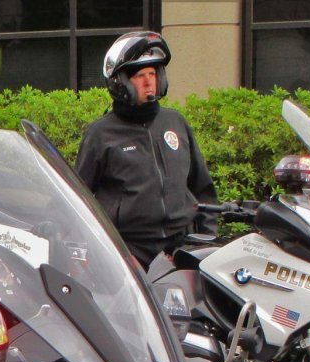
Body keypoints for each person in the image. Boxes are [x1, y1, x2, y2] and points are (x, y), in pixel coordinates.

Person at [75, 31, 218, 270]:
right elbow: (80, 200)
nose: (149, 81)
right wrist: (111, 252)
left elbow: (203, 190)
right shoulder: (101, 134)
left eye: (153, 73)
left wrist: (204, 242)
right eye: (140, 75)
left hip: (181, 248)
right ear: (120, 82)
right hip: (128, 252)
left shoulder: (176, 124)